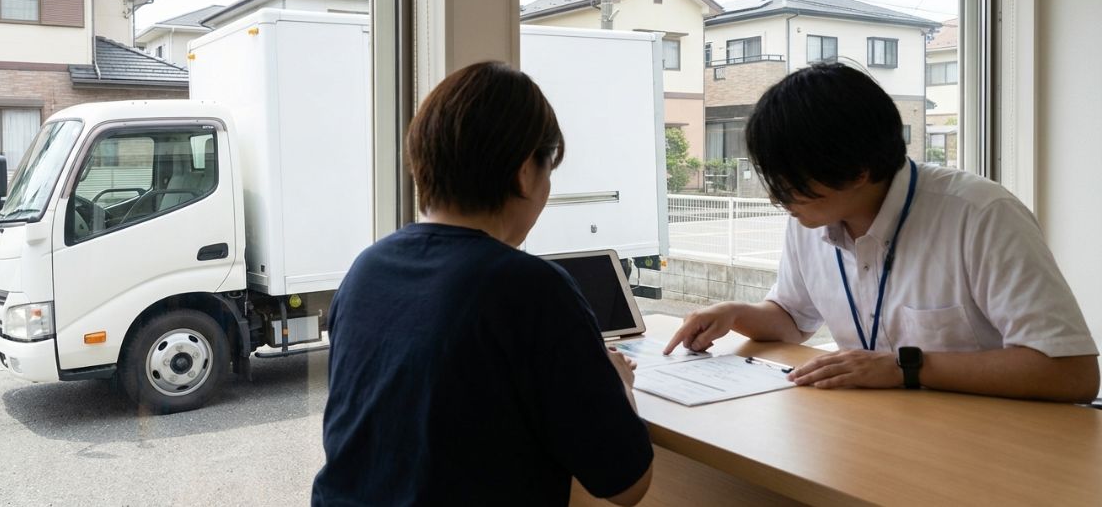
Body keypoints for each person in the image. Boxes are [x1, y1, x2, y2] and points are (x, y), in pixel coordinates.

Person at [313, 61, 653, 506]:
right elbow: (626, 484)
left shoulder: (367, 269)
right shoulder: (530, 289)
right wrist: (617, 381)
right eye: (548, 168)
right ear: (524, 173)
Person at [665, 62, 1099, 403]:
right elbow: (791, 320)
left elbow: (1071, 372)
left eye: (791, 185)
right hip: (879, 428)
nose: (779, 200)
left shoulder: (980, 215)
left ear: (858, 171)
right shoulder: (811, 218)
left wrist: (902, 368)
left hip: (997, 438)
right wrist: (733, 313)